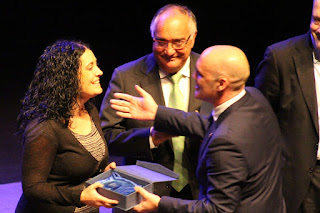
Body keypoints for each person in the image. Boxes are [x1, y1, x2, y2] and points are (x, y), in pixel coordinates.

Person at [110, 45, 286, 212]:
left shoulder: (225, 142)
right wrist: (157, 113)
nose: (193, 77)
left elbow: (217, 209)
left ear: (221, 84)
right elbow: (206, 123)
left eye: (201, 75)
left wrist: (159, 203)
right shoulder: (253, 98)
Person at [99, 4, 211, 201]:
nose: (169, 51)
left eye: (178, 42)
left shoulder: (211, 71)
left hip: (203, 192)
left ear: (192, 38)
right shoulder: (126, 76)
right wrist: (152, 138)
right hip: (145, 195)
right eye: (161, 41)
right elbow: (106, 138)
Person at [15, 40, 118, 213]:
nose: (99, 72)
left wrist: (102, 173)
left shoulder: (89, 109)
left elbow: (79, 166)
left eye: (97, 65)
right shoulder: (45, 128)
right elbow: (33, 188)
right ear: (69, 76)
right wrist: (80, 196)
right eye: (90, 67)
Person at [254, 1, 320, 212]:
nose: (319, 29)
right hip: (299, 182)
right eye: (317, 20)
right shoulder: (280, 57)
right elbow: (258, 121)